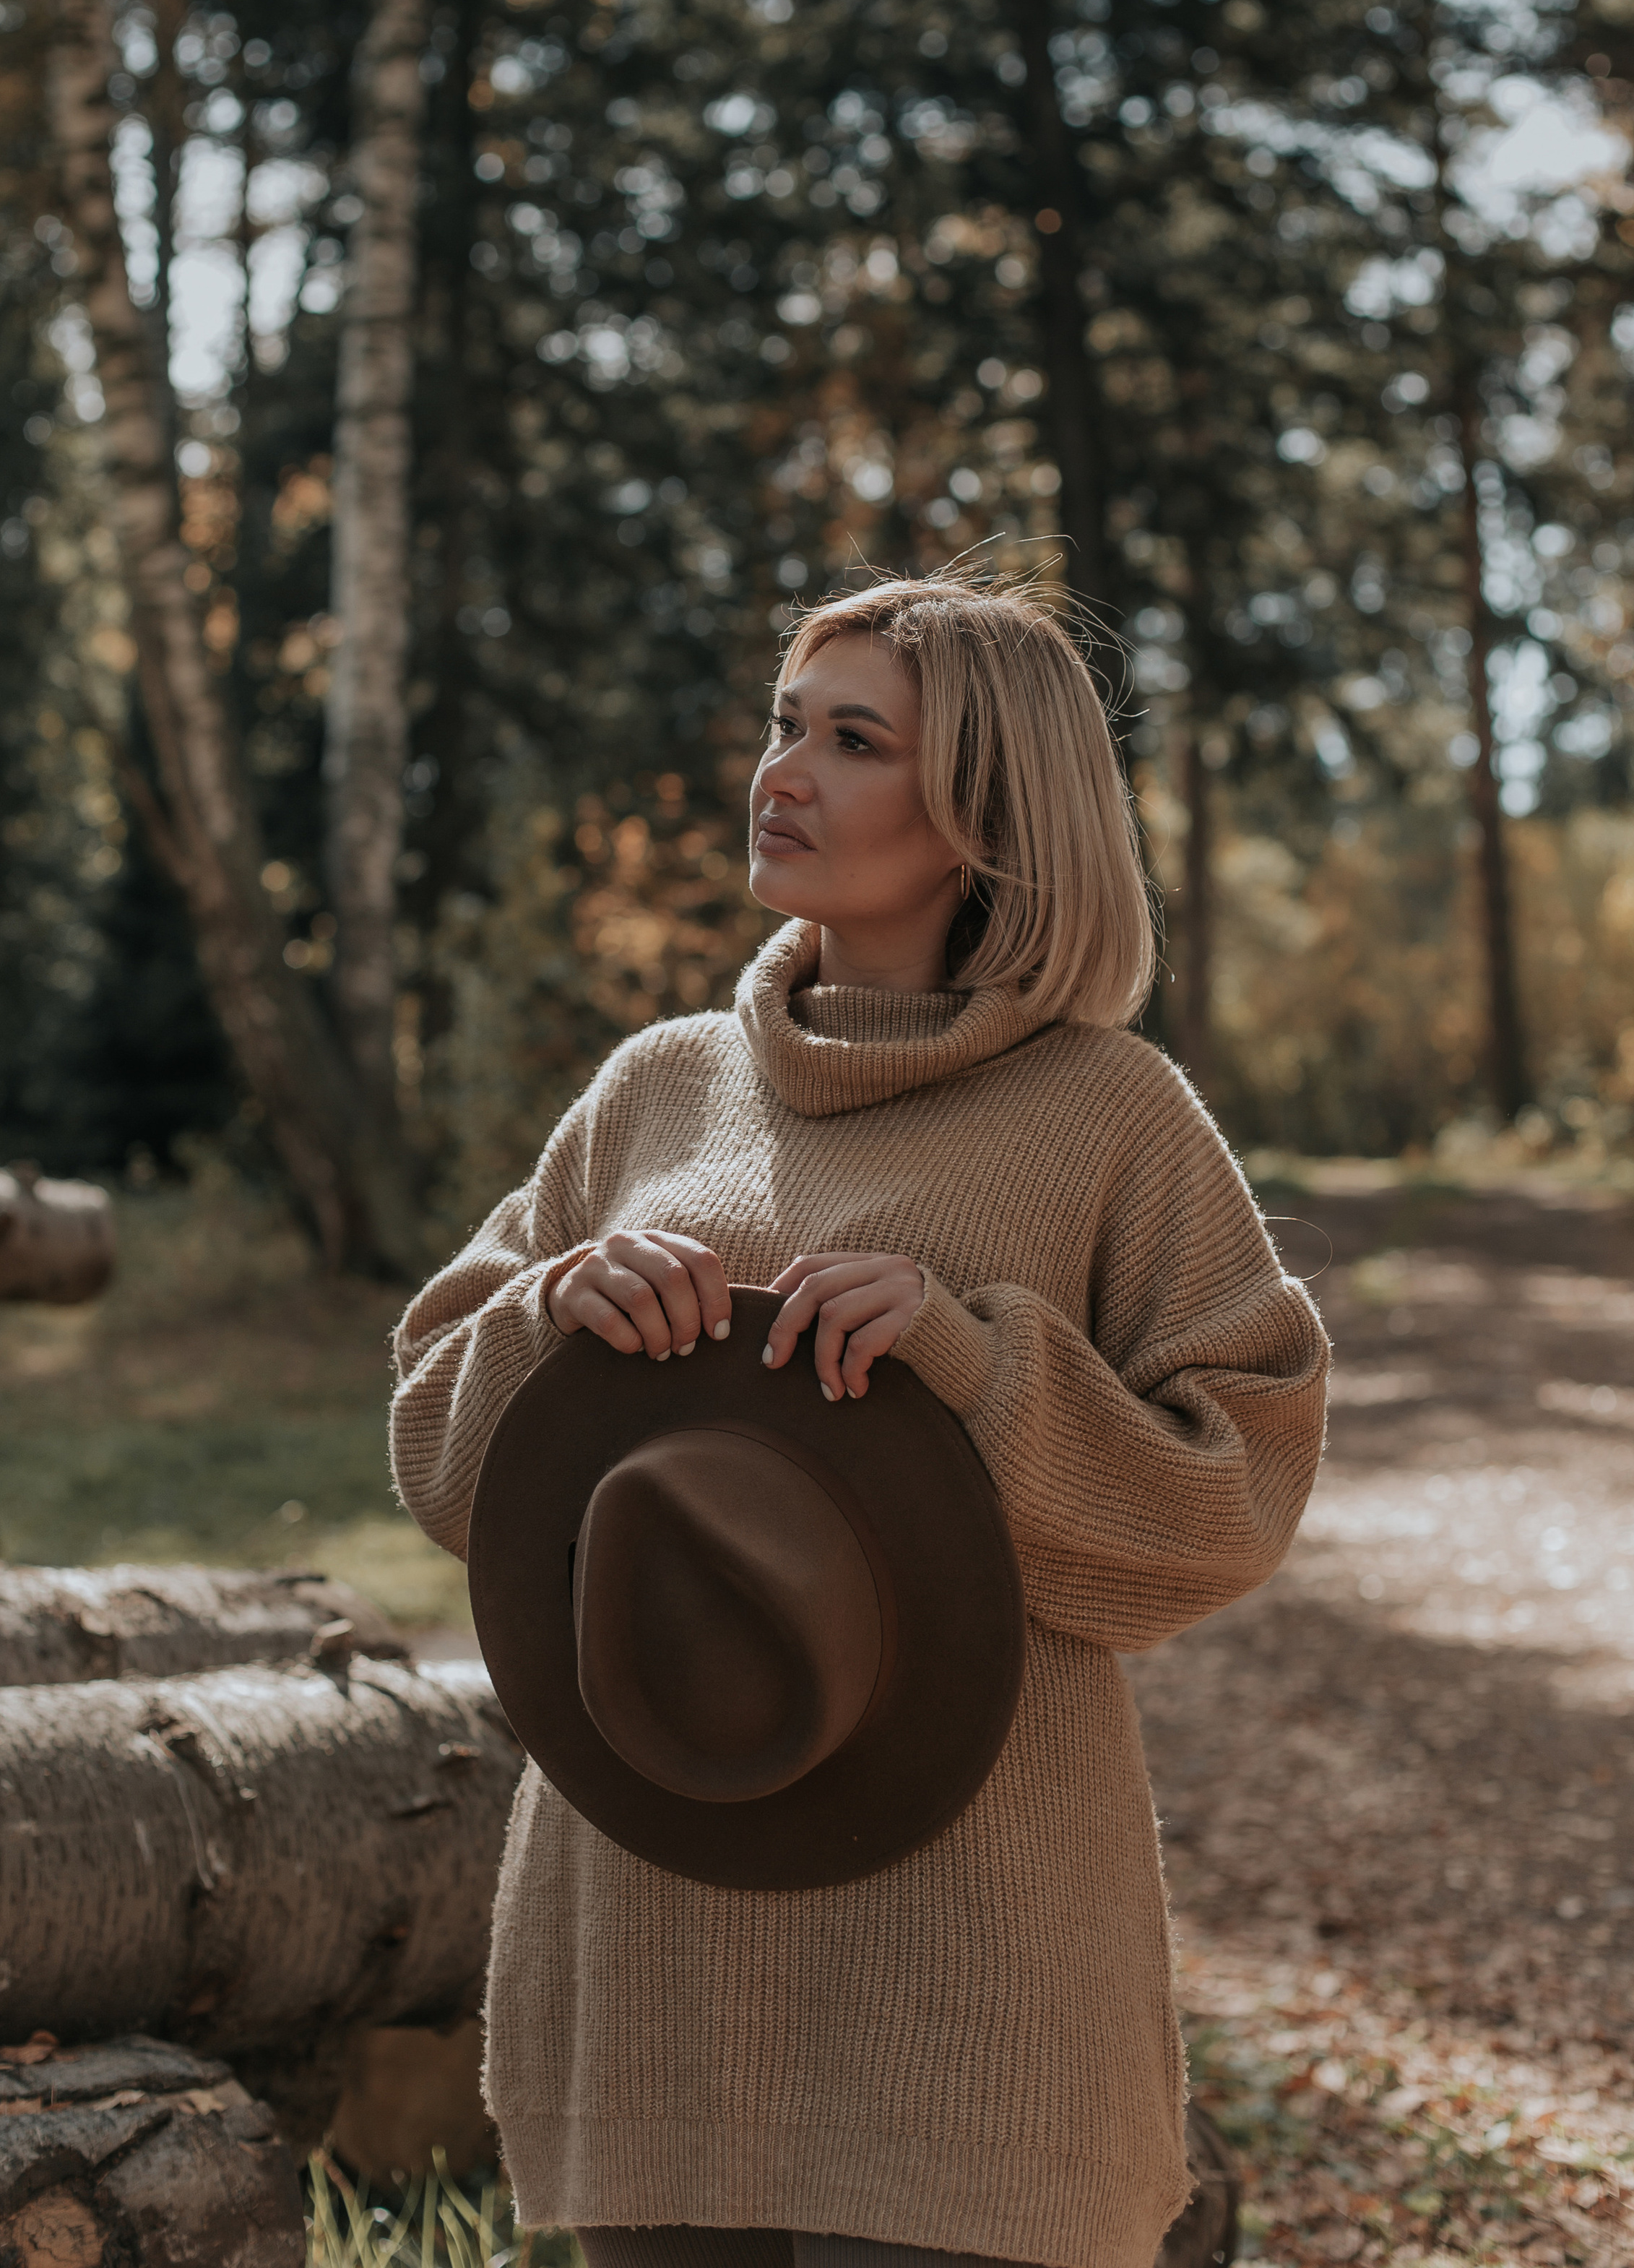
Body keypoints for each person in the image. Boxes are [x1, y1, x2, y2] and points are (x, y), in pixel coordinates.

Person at [390, 571, 1329, 2268]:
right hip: (648, 1932)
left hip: (969, 1966)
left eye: (851, 740)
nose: (783, 771)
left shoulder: (1111, 1113)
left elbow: (1232, 1490)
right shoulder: (656, 1088)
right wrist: (554, 1318)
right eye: (781, 724)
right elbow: (437, 1443)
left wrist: (979, 1367)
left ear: (984, 811)